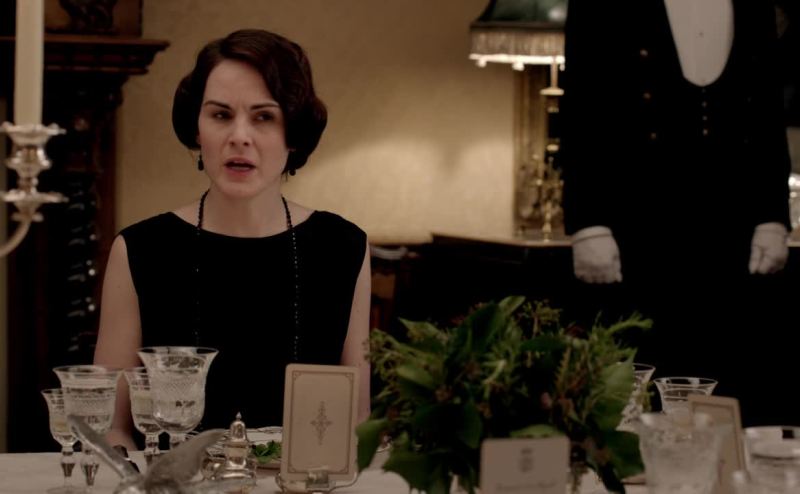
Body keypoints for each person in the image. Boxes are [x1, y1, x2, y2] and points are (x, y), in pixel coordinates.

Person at [94, 29, 371, 450]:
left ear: (293, 133)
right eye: (221, 115)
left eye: (263, 117)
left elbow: (357, 422)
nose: (239, 136)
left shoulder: (344, 247)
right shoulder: (139, 249)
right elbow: (111, 429)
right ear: (197, 129)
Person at [560, 1, 792, 424]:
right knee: (636, 384)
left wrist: (772, 216)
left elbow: (765, 108)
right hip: (636, 222)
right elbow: (582, 102)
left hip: (732, 222)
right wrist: (587, 222)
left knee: (732, 378)